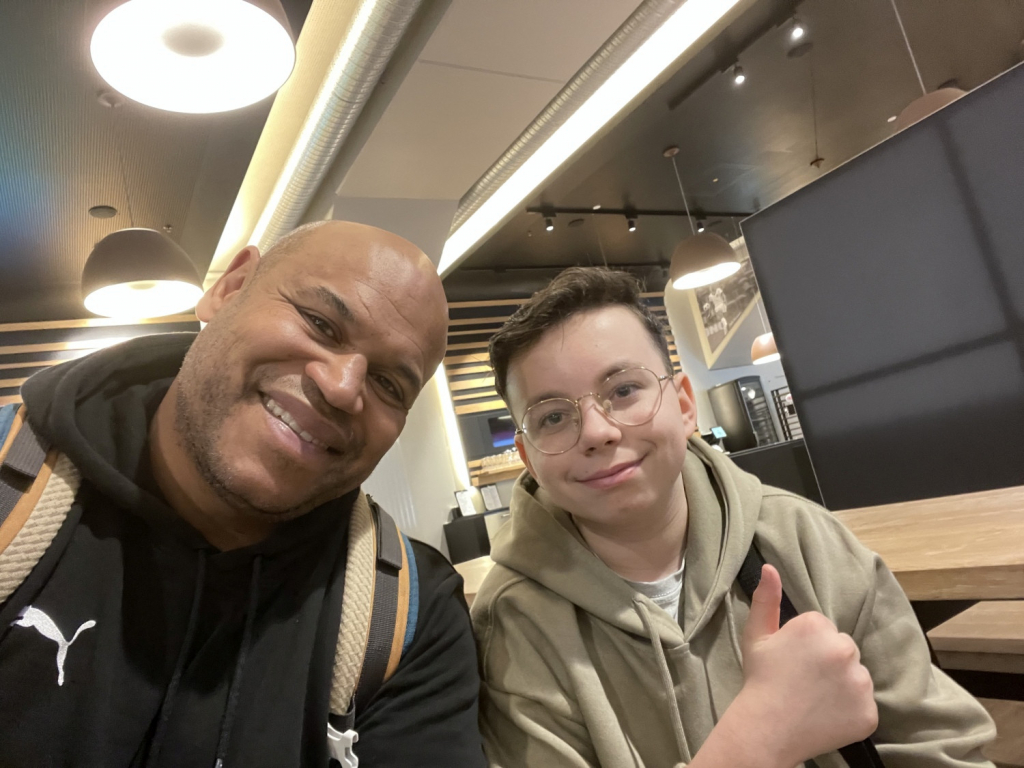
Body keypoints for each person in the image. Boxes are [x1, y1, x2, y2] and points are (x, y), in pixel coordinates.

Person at [0, 221, 487, 767]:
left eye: (389, 384)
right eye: (321, 324)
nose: (342, 387)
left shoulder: (411, 621)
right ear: (230, 289)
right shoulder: (13, 500)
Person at [472, 267, 995, 768]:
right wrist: (756, 743)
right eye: (553, 417)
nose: (596, 432)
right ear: (529, 458)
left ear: (684, 405)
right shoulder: (514, 623)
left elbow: (939, 745)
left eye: (624, 390)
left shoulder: (802, 539)